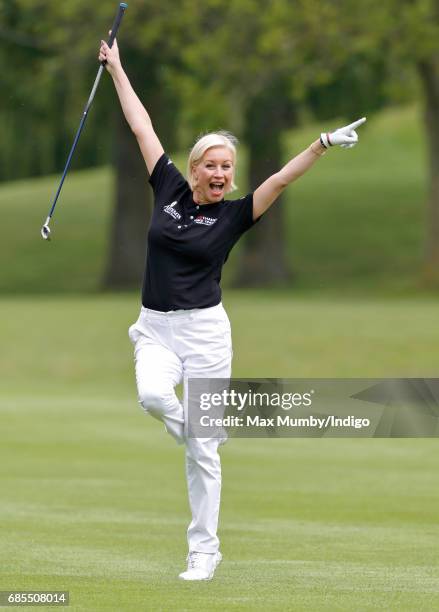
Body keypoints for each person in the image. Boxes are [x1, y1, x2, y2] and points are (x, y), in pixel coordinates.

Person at [98, 36, 366, 582]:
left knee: (204, 451)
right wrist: (118, 69)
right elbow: (142, 127)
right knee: (154, 397)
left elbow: (282, 179)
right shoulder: (168, 187)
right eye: (213, 165)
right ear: (195, 168)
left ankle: (204, 550)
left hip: (205, 335)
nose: (222, 173)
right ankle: (192, 427)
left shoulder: (236, 215)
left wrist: (321, 142)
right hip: (154, 329)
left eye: (229, 167)